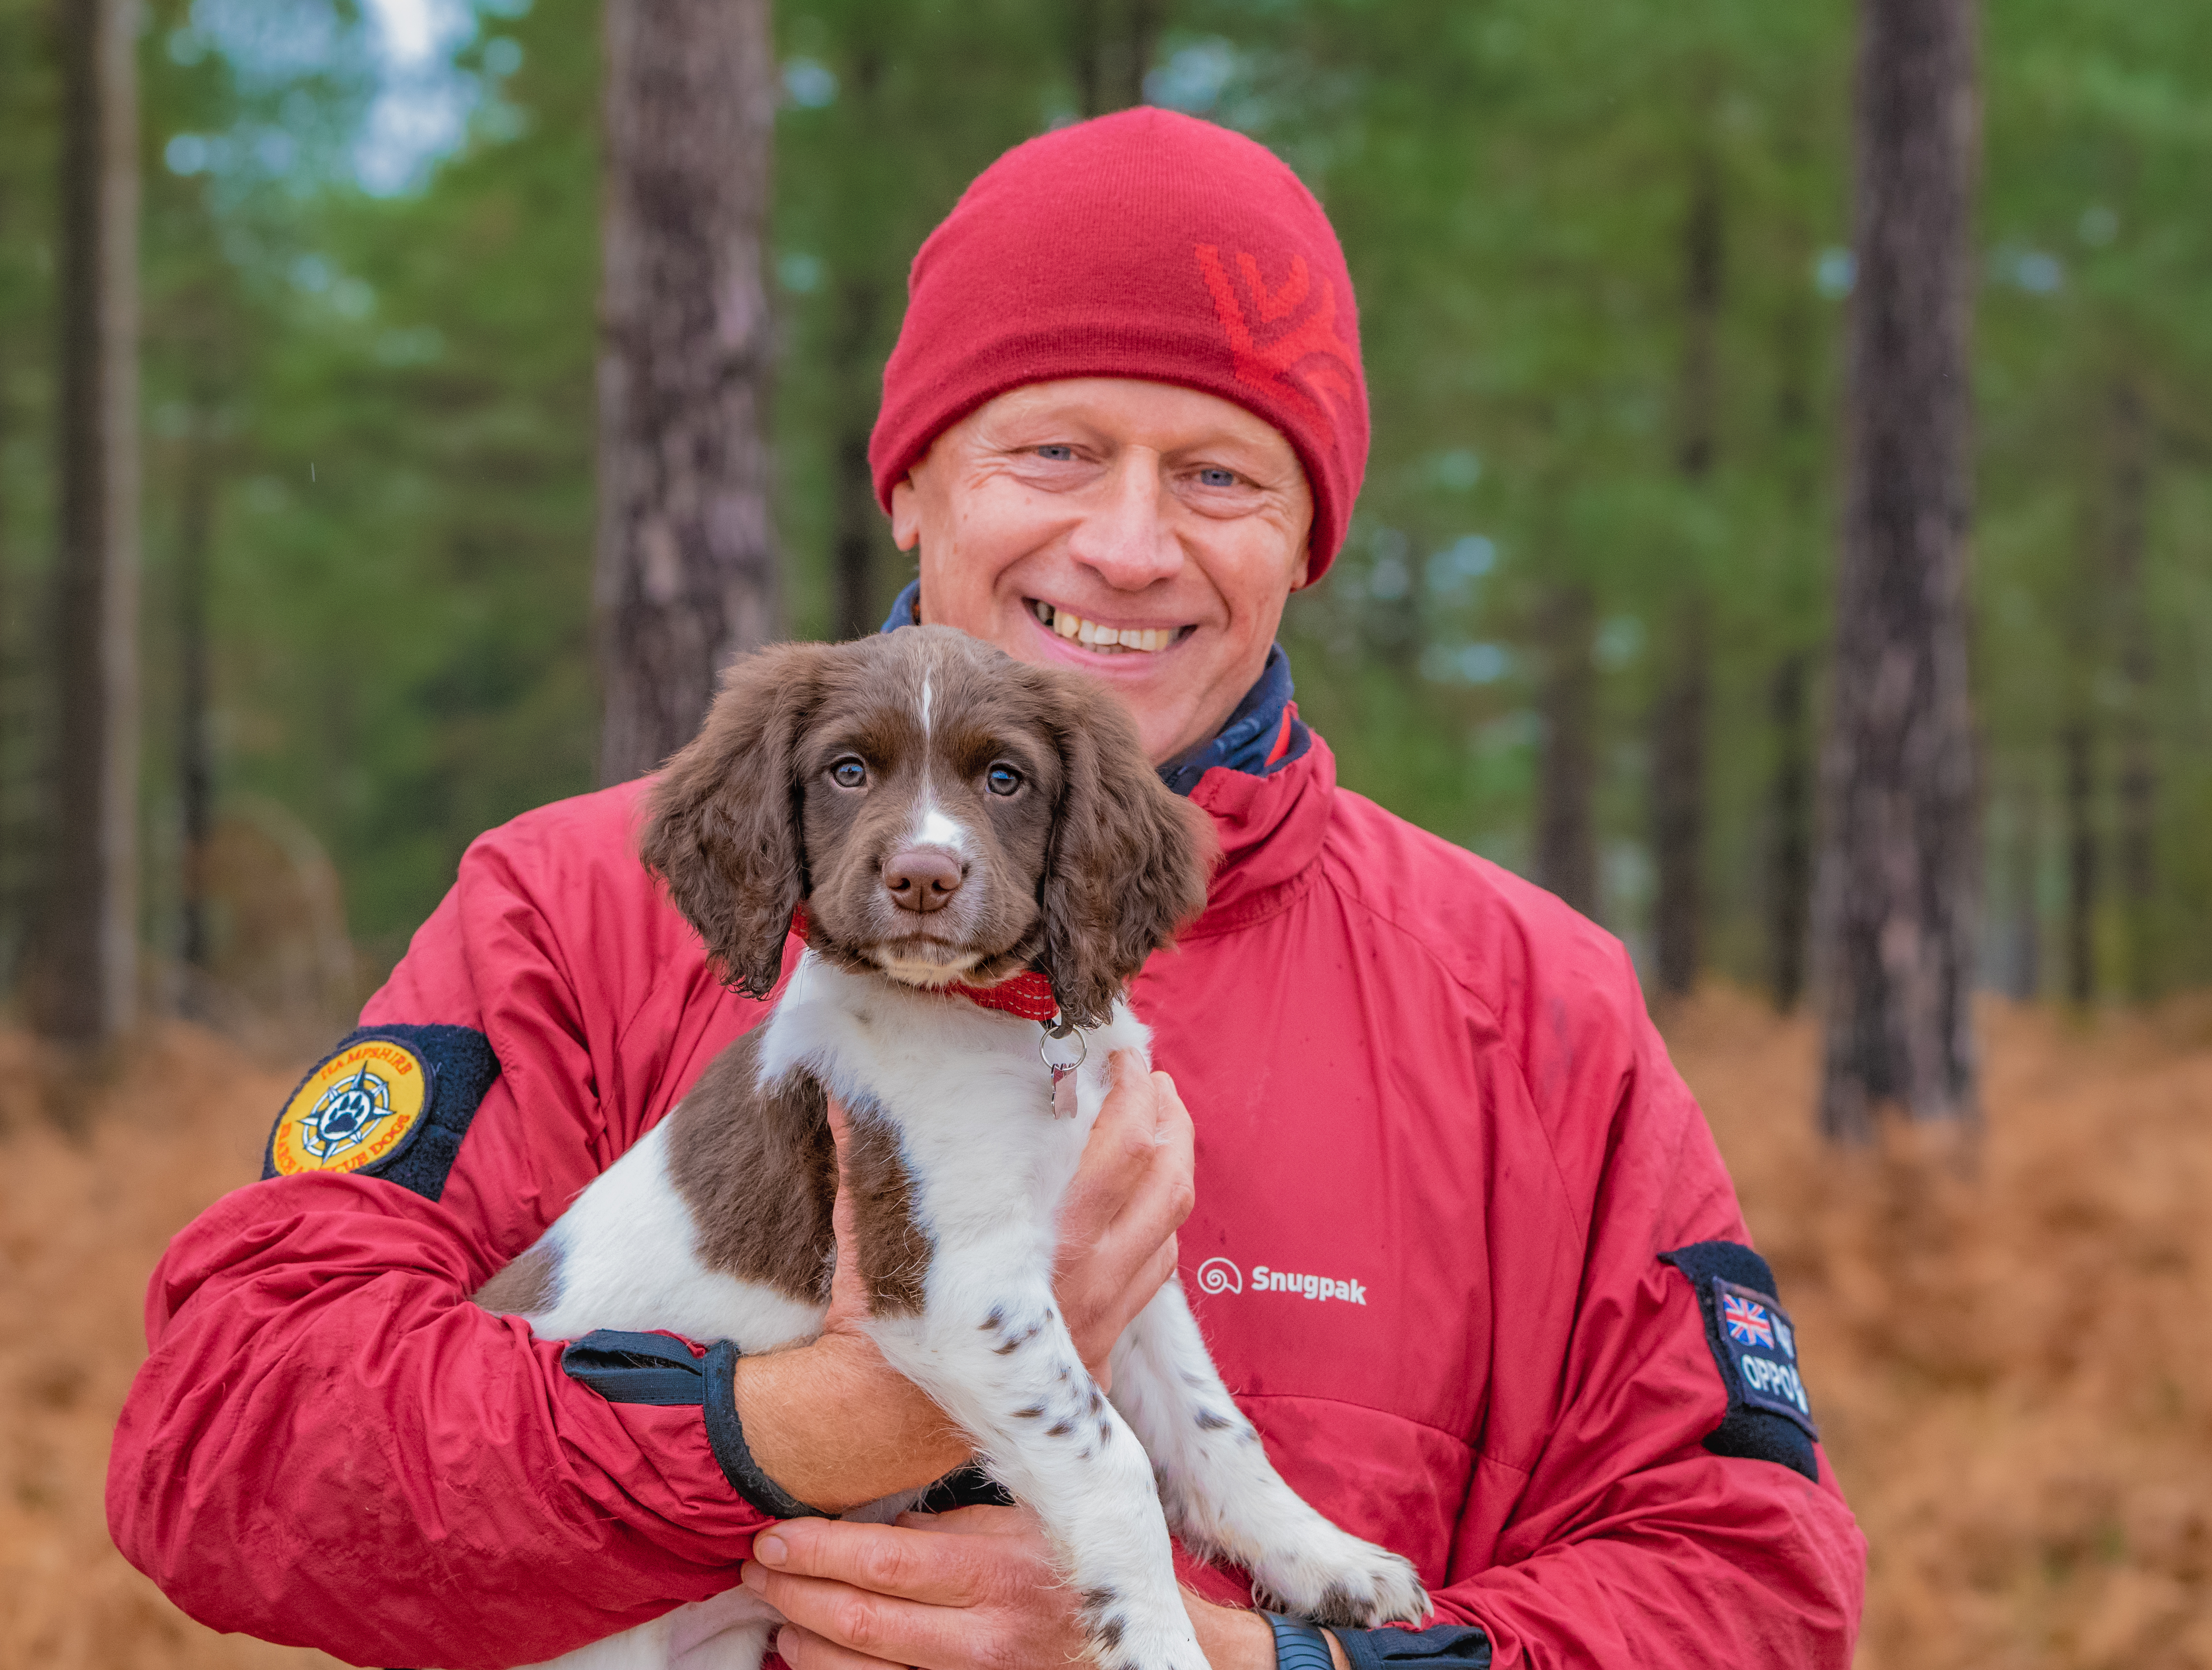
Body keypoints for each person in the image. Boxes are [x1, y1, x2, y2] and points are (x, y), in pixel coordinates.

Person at [109, 109, 1867, 1670]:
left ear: (1304, 543)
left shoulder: (1528, 999)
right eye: (1051, 450)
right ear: (907, 482)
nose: (1125, 545)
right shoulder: (578, 906)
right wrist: (793, 1432)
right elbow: (225, 1455)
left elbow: (1758, 1592)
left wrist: (1265, 1666)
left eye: (1218, 475)